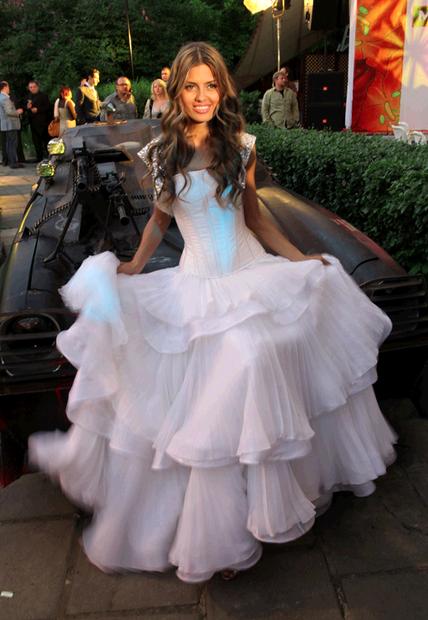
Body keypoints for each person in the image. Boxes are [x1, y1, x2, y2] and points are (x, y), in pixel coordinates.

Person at [29, 42, 396, 584]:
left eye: (211, 85)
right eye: (191, 86)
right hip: (197, 284)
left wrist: (299, 259)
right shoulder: (162, 155)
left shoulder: (241, 146)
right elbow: (159, 221)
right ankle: (223, 521)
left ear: (222, 90)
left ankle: (266, 500)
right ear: (177, 92)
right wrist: (133, 266)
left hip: (250, 273)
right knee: (233, 367)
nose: (202, 96)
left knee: (259, 355)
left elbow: (257, 218)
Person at [0, 81, 24, 168]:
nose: (9, 88)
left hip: (6, 124)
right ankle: (13, 163)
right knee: (12, 144)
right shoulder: (4, 98)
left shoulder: (1, 97)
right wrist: (18, 111)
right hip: (10, 124)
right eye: (8, 86)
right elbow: (9, 112)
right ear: (5, 87)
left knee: (9, 144)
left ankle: (12, 161)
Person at [26, 80, 51, 161]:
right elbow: (25, 108)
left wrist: (38, 109)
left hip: (43, 122)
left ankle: (50, 157)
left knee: (46, 141)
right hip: (33, 122)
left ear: (37, 87)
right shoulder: (28, 96)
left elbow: (48, 107)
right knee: (36, 141)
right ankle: (39, 158)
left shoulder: (43, 95)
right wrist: (27, 107)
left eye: (34, 87)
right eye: (30, 87)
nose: (32, 89)